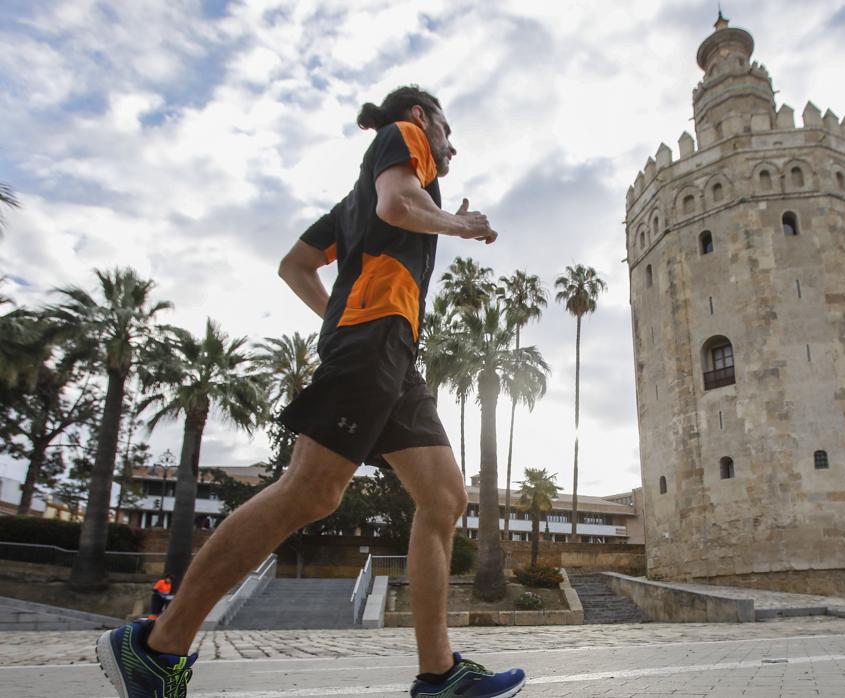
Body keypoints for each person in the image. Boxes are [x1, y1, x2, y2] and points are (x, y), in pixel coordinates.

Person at [97, 85, 525, 698]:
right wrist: (457, 222)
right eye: (447, 131)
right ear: (420, 118)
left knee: (444, 498)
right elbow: (399, 207)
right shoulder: (404, 144)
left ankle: (439, 674)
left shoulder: (350, 203)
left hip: (391, 351)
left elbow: (294, 264)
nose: (451, 147)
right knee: (311, 491)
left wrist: (335, 319)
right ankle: (158, 647)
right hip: (372, 342)